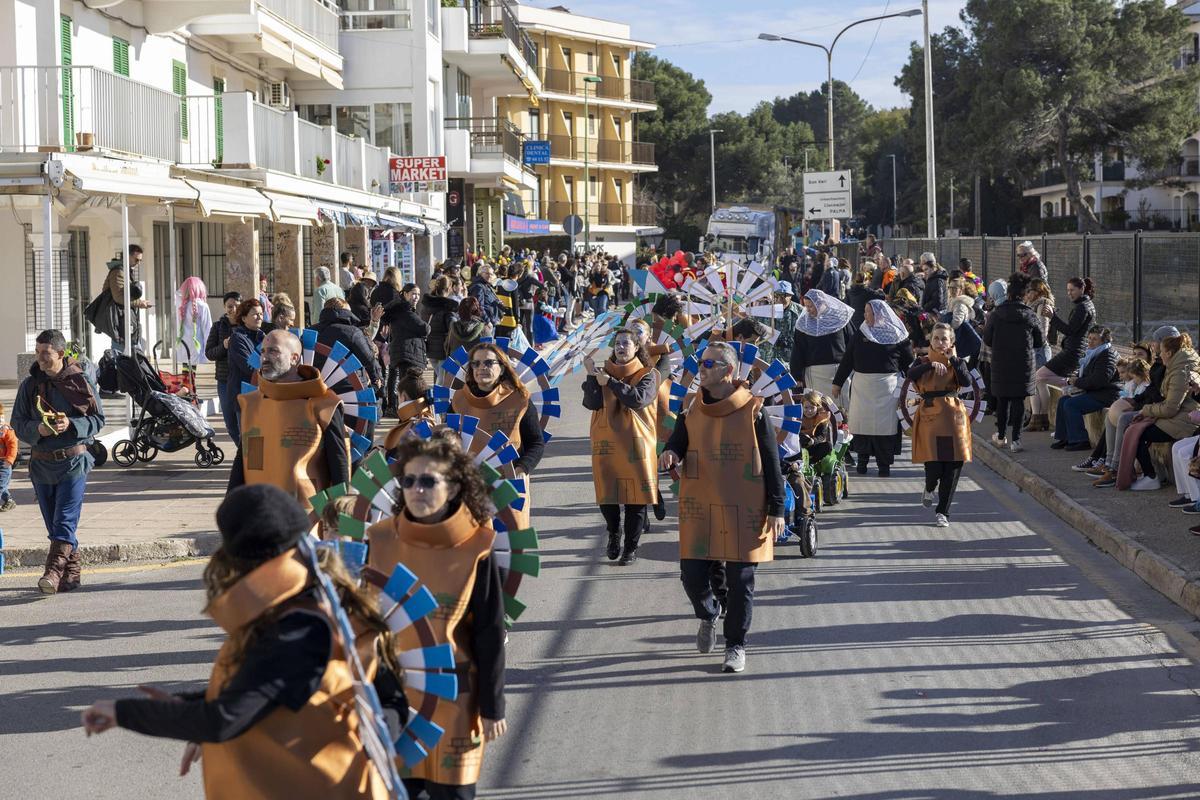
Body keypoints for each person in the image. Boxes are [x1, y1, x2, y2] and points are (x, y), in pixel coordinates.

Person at [81, 484, 399, 799]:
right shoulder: (303, 604)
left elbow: (224, 719)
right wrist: (189, 705)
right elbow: (266, 695)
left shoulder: (298, 628)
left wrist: (121, 712)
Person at [366, 434, 507, 799]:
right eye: (409, 480)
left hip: (455, 697)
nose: (416, 489)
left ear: (454, 487)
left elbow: (489, 633)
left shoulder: (478, 548)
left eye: (429, 481)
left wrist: (492, 706)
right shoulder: (379, 541)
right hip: (393, 698)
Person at [659, 341, 785, 674]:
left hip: (745, 505)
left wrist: (777, 508)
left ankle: (735, 645)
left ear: (728, 371)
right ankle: (708, 614)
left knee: (740, 578)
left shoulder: (753, 411)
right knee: (692, 575)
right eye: (701, 363)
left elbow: (772, 462)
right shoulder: (692, 408)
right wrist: (671, 452)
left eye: (709, 364)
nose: (701, 368)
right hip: (700, 503)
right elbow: (678, 441)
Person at [11, 329, 105, 594]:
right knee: (55, 526)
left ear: (61, 354)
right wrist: (37, 430)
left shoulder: (79, 380)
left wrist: (71, 423)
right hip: (41, 466)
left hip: (73, 463)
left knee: (64, 520)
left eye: (46, 353)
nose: (40, 358)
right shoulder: (29, 386)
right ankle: (71, 574)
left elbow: (98, 419)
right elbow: (17, 423)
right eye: (38, 352)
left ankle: (52, 573)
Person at [228, 330, 350, 509]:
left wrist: (342, 517)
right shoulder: (251, 404)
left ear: (294, 358)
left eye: (273, 351)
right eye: (263, 351)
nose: (265, 358)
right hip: (259, 512)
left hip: (306, 516)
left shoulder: (324, 405)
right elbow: (243, 458)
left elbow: (338, 461)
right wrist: (230, 506)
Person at [582, 329, 658, 565]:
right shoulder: (603, 373)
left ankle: (630, 549)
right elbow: (592, 403)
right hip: (607, 443)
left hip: (637, 443)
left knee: (636, 498)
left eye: (626, 343)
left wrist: (612, 384)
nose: (621, 347)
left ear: (637, 348)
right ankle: (614, 532)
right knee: (607, 495)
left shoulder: (647, 374)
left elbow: (638, 399)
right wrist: (591, 377)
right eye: (617, 343)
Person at [451, 343, 545, 530]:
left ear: (501, 368)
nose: (481, 368)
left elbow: (536, 442)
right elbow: (449, 440)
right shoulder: (459, 401)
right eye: (476, 364)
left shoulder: (519, 399)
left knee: (510, 544)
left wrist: (521, 469)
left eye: (488, 362)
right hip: (470, 485)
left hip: (510, 483)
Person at [833, 299, 914, 477]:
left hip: (888, 389)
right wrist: (837, 383)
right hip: (863, 388)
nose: (865, 315)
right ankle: (862, 462)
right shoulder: (861, 333)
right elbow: (848, 360)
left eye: (868, 312)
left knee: (885, 429)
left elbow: (909, 363)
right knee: (862, 425)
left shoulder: (897, 335)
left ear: (879, 315)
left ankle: (884, 465)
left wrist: (915, 385)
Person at [908, 323, 974, 527]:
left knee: (952, 466)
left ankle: (943, 511)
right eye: (936, 338)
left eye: (944, 339)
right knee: (934, 465)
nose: (940, 342)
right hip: (930, 417)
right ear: (930, 341)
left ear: (952, 342)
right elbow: (910, 376)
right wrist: (930, 365)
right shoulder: (921, 361)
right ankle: (929, 486)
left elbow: (966, 380)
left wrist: (953, 359)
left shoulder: (958, 362)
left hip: (954, 418)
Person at [1124, 334, 1200, 491]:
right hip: (1177, 417)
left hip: (1183, 421)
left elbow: (1171, 408)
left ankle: (1151, 477)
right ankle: (1155, 474)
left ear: (1170, 353)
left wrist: (1146, 410)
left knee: (1137, 433)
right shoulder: (1177, 366)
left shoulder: (1180, 371)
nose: (1159, 355)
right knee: (1134, 428)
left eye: (1162, 352)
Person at [982, 274, 1043, 452]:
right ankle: (1016, 440)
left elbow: (987, 339)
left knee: (1002, 401)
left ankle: (1001, 436)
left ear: (1007, 293)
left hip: (1001, 362)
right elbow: (1039, 341)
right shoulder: (1029, 314)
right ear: (1024, 294)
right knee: (1018, 400)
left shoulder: (996, 314)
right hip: (1023, 363)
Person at [1029, 277, 1096, 431]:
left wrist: (1053, 317)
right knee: (1039, 380)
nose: (1069, 293)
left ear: (1082, 289)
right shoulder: (1083, 305)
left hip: (1073, 351)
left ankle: (1071, 383)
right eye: (1067, 290)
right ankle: (1039, 419)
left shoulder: (1083, 307)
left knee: (1039, 376)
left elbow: (1070, 330)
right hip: (1072, 349)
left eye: (1072, 290)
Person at [1050, 326, 1119, 452]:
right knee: (1063, 401)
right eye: (1089, 338)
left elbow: (1099, 380)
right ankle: (1065, 437)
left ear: (1104, 341)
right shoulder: (1094, 353)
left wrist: (1077, 381)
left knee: (1071, 404)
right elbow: (1090, 376)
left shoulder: (1108, 356)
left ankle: (1080, 440)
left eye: (1095, 339)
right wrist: (1075, 378)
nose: (1090, 342)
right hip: (1095, 392)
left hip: (1106, 395)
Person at [791, 289, 854, 400]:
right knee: (818, 406)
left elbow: (852, 343)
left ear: (821, 304)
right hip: (814, 374)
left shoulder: (840, 318)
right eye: (806, 306)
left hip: (839, 372)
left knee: (840, 409)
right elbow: (798, 350)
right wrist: (797, 375)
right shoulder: (803, 324)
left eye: (811, 306)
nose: (808, 310)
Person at [224, 299, 267, 445]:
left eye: (261, 314)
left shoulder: (264, 336)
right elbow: (249, 367)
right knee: (248, 439)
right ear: (243, 318)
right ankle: (245, 466)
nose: (259, 317)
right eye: (255, 314)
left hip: (263, 394)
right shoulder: (237, 338)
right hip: (244, 395)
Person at [311, 298, 380, 388]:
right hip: (348, 389)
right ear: (347, 314)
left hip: (315, 388)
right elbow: (369, 360)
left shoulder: (310, 332)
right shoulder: (353, 332)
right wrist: (376, 382)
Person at [382, 283, 430, 412]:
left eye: (418, 294)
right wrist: (427, 326)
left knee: (404, 385)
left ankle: (401, 410)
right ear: (405, 294)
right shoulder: (404, 311)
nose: (416, 297)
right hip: (407, 353)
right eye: (413, 293)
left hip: (405, 352)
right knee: (408, 386)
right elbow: (424, 328)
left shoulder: (401, 309)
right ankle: (405, 412)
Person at [205, 292, 242, 436]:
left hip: (242, 379)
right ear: (224, 307)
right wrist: (224, 347)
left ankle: (244, 455)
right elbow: (209, 353)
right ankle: (242, 451)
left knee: (243, 420)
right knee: (230, 422)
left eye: (236, 306)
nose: (233, 309)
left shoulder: (246, 326)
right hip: (224, 380)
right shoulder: (218, 327)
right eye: (229, 306)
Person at [422, 276, 459, 381]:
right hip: (444, 349)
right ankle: (438, 397)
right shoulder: (448, 308)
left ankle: (437, 396)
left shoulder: (426, 306)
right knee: (443, 380)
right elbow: (453, 327)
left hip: (430, 347)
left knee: (439, 377)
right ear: (448, 289)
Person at [177, 276, 212, 367]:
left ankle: (186, 381)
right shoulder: (203, 306)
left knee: (185, 370)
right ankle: (189, 381)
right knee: (191, 370)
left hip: (183, 342)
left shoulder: (180, 305)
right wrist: (210, 347)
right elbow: (208, 328)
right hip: (196, 343)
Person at [1024, 278, 1055, 369]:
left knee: (1037, 381)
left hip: (1039, 351)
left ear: (1037, 291)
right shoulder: (1030, 304)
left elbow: (1042, 332)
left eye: (1029, 291)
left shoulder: (1042, 305)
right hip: (1032, 349)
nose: (1027, 293)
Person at [0, 402, 17, 511]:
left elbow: (13, 445)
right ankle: (9, 500)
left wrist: (10, 459)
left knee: (1, 484)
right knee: (3, 486)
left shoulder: (6, 431)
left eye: (1, 417)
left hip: (4, 464)